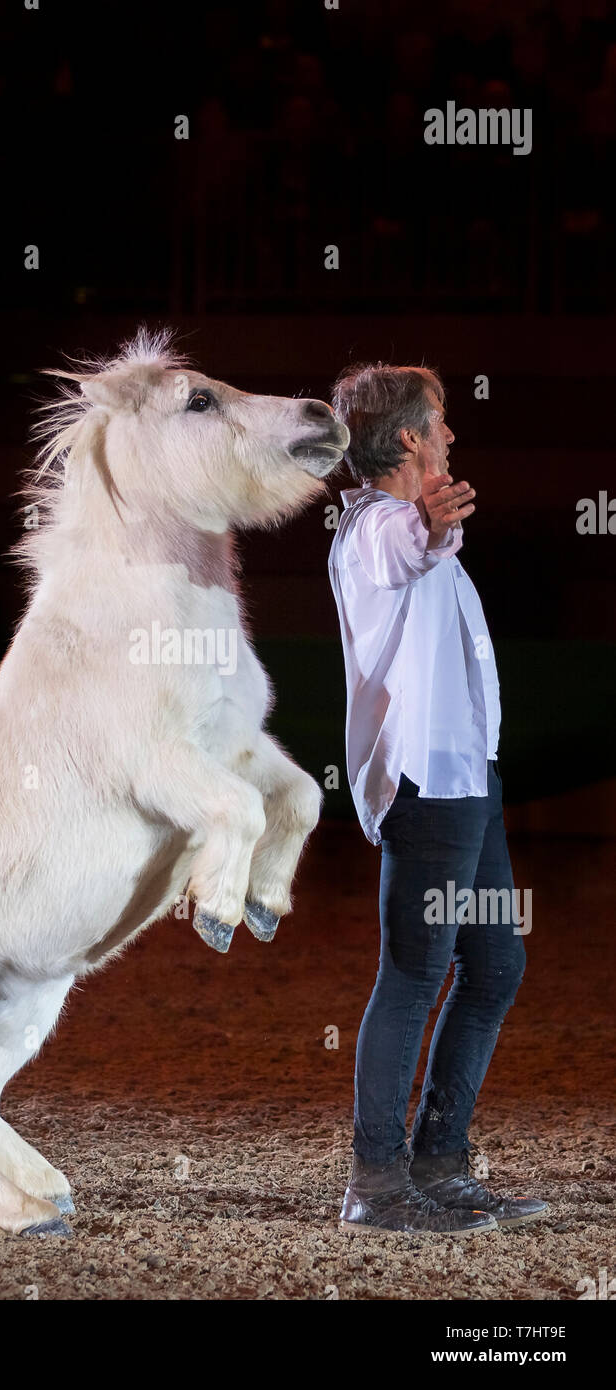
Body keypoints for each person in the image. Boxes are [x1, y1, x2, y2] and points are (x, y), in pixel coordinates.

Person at [327, 362, 548, 1236]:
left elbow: (430, 549)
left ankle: (438, 1163)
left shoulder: (405, 526)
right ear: (412, 438)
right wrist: (422, 519)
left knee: (495, 964)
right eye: (441, 422)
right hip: (428, 789)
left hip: (470, 784)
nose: (452, 435)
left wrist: (430, 524)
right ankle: (375, 1184)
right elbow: (402, 546)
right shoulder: (372, 527)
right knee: (415, 974)